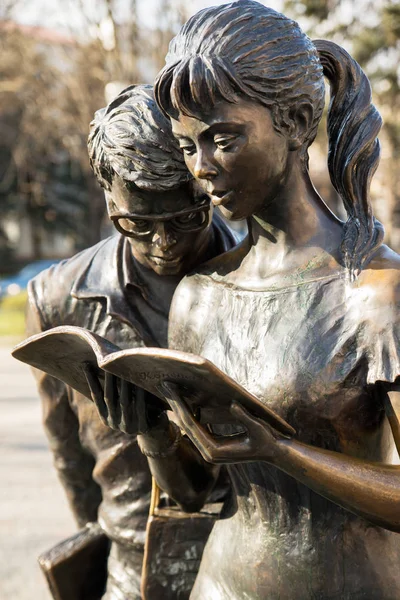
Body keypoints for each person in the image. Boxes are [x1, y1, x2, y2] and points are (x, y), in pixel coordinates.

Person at [141, 1, 400, 598]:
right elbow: (196, 493)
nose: (201, 168)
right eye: (187, 147)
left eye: (222, 139)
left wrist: (285, 454)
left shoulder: (375, 296)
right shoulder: (198, 300)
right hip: (221, 585)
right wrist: (151, 432)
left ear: (298, 120)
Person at [26, 84, 235, 600]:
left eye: (185, 218)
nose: (163, 244)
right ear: (106, 191)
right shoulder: (56, 298)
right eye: (136, 223)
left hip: (242, 560)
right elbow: (69, 455)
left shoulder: (259, 279)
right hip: (131, 567)